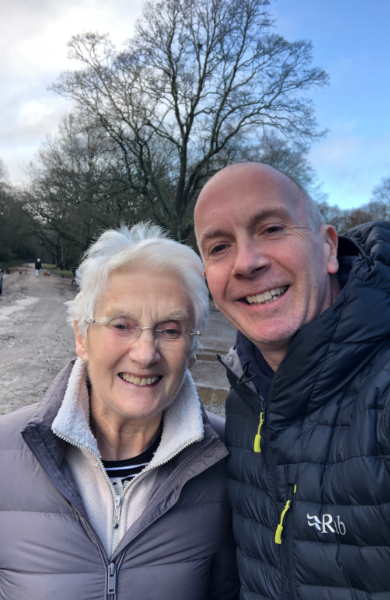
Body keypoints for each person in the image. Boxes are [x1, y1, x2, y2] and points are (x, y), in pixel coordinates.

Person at [194, 163, 390, 600]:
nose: (247, 262)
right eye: (219, 247)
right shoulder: (244, 400)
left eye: (272, 229)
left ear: (329, 248)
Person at [0, 224, 239, 600]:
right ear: (81, 336)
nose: (145, 354)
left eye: (170, 331)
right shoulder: (4, 453)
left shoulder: (229, 458)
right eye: (122, 325)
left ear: (192, 351)